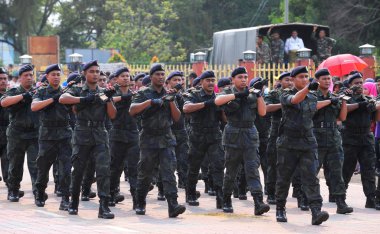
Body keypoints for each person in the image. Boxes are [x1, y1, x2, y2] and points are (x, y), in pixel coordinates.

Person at [59, 60, 117, 219]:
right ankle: (73, 203)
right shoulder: (78, 89)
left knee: (103, 171)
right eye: (92, 71)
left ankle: (104, 207)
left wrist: (109, 99)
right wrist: (84, 99)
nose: (95, 74)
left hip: (100, 133)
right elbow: (63, 98)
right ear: (84, 74)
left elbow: (112, 115)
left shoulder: (104, 92)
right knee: (78, 170)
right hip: (82, 133)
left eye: (97, 71)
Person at [129, 64, 186, 218]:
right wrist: (151, 102)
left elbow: (177, 118)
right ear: (152, 76)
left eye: (162, 74)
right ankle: (140, 202)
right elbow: (132, 110)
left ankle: (173, 205)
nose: (160, 77)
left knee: (168, 173)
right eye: (157, 74)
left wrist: (171, 100)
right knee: (145, 173)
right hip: (149, 138)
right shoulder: (144, 93)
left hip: (166, 137)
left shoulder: (169, 93)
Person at [275, 66, 330, 225]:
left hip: (307, 142)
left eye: (306, 76)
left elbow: (314, 109)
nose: (305, 79)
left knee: (311, 177)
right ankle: (280, 208)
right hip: (288, 143)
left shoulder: (312, 97)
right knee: (284, 178)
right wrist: (307, 88)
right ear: (292, 80)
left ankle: (316, 211)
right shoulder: (285, 94)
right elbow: (295, 100)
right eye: (301, 77)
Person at [214, 67, 269, 215]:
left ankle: (258, 202)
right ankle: (226, 199)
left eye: (245, 77)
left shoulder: (252, 94)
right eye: (240, 77)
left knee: (252, 170)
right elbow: (218, 101)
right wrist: (238, 94)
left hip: (250, 134)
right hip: (233, 134)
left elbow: (263, 112)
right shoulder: (227, 92)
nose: (244, 79)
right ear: (233, 80)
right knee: (231, 170)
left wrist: (259, 95)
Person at [31, 64, 72, 210]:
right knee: (43, 167)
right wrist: (53, 99)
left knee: (66, 168)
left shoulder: (66, 92)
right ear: (47, 77)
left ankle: (66, 198)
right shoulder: (41, 92)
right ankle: (40, 193)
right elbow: (34, 107)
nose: (56, 77)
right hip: (47, 135)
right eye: (53, 74)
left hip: (65, 134)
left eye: (58, 74)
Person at [182, 70, 225, 209]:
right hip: (197, 136)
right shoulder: (194, 95)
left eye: (213, 80)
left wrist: (224, 107)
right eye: (208, 80)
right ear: (201, 82)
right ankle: (191, 194)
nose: (211, 83)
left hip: (214, 136)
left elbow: (224, 119)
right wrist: (206, 104)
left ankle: (220, 197)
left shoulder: (218, 97)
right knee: (194, 167)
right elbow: (186, 108)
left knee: (218, 166)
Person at [313, 68, 353, 214]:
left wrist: (343, 100)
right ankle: (307, 198)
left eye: (329, 79)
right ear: (317, 81)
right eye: (324, 79)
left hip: (333, 136)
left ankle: (341, 202)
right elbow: (312, 109)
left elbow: (342, 118)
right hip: (316, 135)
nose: (327, 81)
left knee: (337, 171)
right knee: (312, 170)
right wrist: (330, 100)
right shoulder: (312, 96)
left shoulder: (335, 96)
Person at [0, 64, 40, 202]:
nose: (29, 78)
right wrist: (23, 96)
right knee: (15, 165)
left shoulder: (38, 91)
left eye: (31, 75)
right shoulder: (14, 91)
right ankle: (13, 190)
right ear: (20, 78)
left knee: (36, 165)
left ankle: (38, 192)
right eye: (26, 75)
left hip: (34, 134)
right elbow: (4, 102)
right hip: (16, 134)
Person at [341, 72, 379, 210]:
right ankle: (341, 198)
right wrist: (360, 104)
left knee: (369, 169)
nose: (359, 85)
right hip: (350, 137)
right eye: (356, 83)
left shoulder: (369, 98)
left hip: (366, 137)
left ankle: (370, 198)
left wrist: (372, 105)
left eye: (360, 82)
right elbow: (343, 112)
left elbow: (375, 118)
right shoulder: (346, 98)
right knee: (347, 168)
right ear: (350, 85)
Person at [108, 67, 139, 208]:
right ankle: (111, 194)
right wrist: (123, 98)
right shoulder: (112, 92)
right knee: (115, 167)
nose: (126, 78)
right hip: (117, 134)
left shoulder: (136, 94)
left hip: (133, 134)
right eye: (123, 76)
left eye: (128, 76)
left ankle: (137, 198)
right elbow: (104, 99)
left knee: (134, 167)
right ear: (116, 79)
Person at [264, 71, 293, 204]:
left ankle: (296, 193)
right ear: (280, 81)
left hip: (292, 130)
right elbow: (266, 108)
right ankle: (271, 193)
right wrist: (285, 104)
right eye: (287, 80)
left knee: (290, 165)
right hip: (276, 130)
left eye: (291, 80)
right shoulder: (274, 94)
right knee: (273, 163)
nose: (290, 82)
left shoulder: (297, 94)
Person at [166, 71, 189, 189]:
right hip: (167, 131)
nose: (178, 82)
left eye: (180, 80)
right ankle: (164, 187)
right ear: (168, 82)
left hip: (181, 130)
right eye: (175, 80)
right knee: (169, 160)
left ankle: (183, 181)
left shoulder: (185, 96)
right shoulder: (164, 95)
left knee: (183, 158)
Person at [0, 67, 10, 188]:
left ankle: (11, 187)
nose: (3, 81)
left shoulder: (11, 94)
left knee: (7, 158)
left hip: (8, 130)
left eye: (5, 79)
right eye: (0, 79)